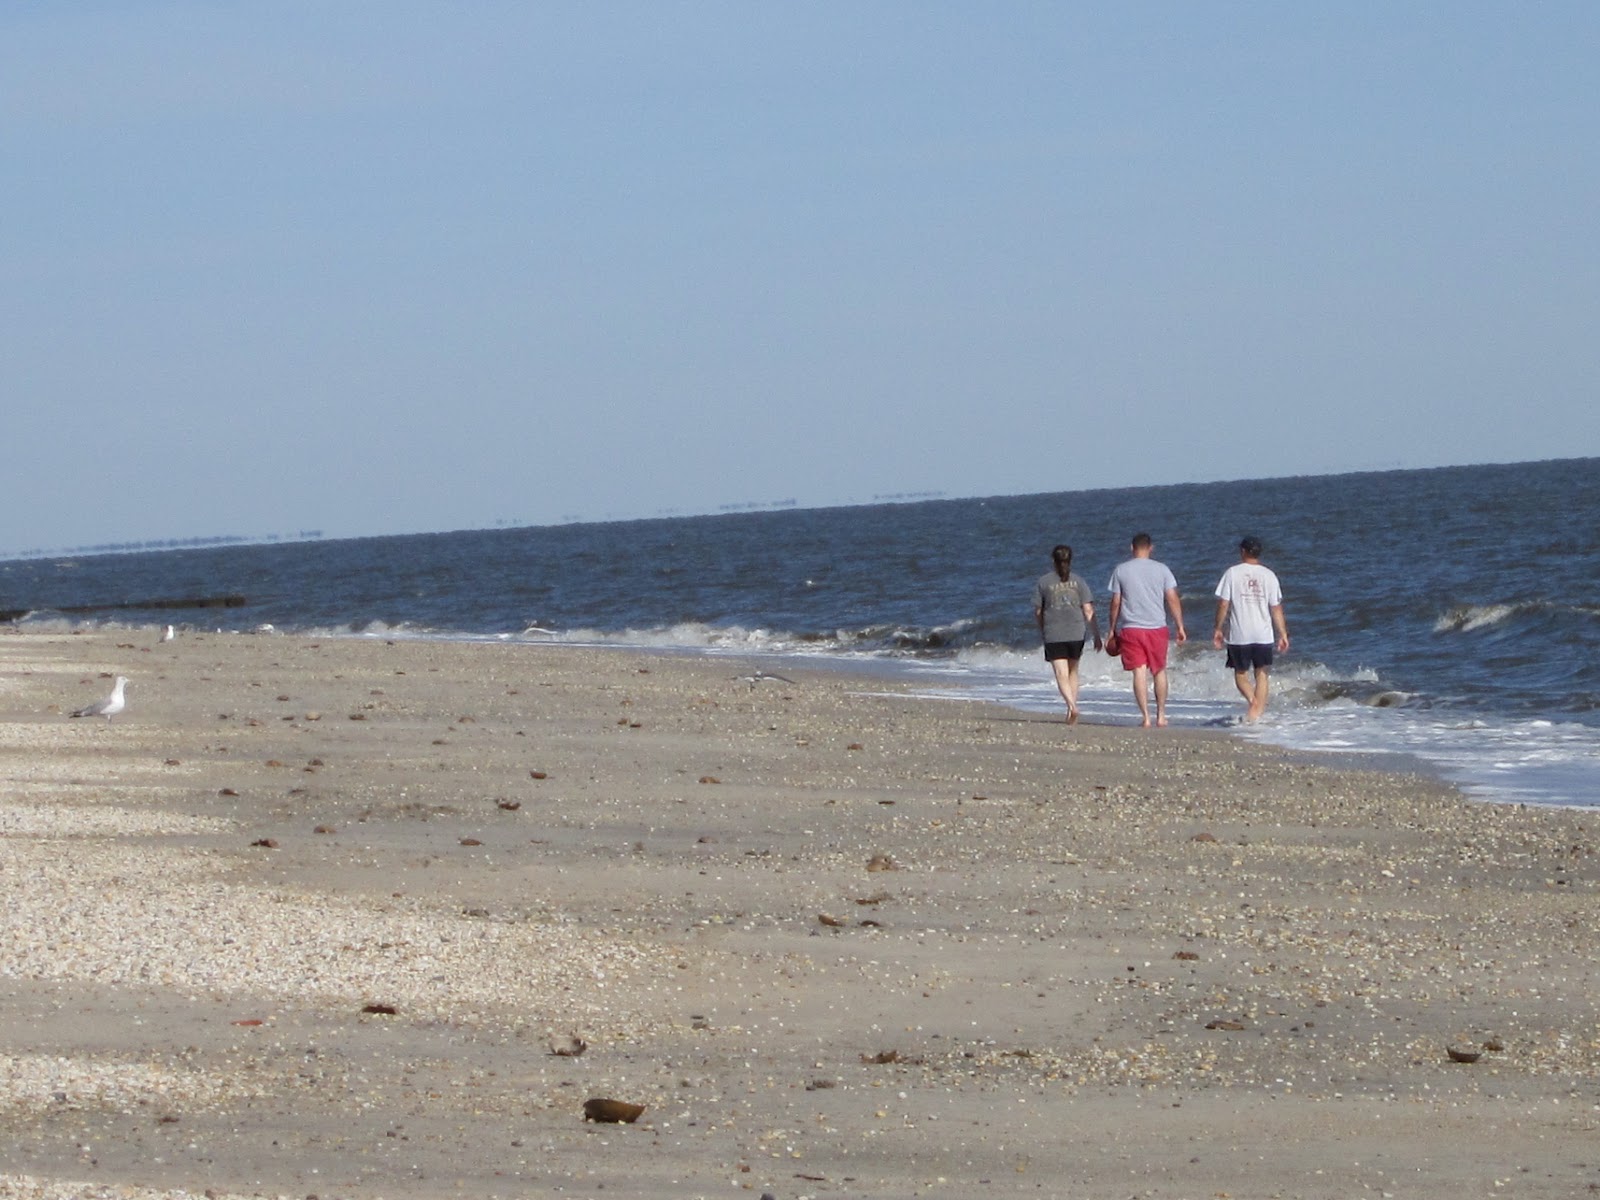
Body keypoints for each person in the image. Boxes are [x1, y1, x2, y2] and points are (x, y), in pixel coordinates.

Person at [1106, 533, 1187, 727]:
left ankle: (1146, 717)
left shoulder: (1121, 570)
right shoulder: (1162, 569)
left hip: (1131, 628)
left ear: (1131, 548)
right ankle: (1161, 715)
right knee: (1159, 670)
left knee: (1139, 672)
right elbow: (1172, 598)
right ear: (1151, 548)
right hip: (1157, 627)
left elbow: (1116, 602)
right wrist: (1180, 625)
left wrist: (1111, 628)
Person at [1212, 536, 1289, 722]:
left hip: (1240, 633)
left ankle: (1253, 703)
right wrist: (1283, 634)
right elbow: (1276, 608)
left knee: (1240, 674)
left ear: (1243, 552)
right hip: (1263, 633)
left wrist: (1218, 628)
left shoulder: (1232, 573)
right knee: (1262, 673)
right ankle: (1257, 714)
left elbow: (1223, 603)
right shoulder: (1269, 575)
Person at [1034, 545, 1102, 724]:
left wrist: (1043, 629)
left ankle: (1072, 706)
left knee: (1060, 673)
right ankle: (1071, 708)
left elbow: (1039, 612)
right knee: (1073, 671)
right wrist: (1096, 635)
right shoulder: (1079, 581)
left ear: (1053, 561)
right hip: (1076, 632)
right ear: (1070, 560)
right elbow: (1088, 610)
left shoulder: (1044, 582)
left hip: (1054, 632)